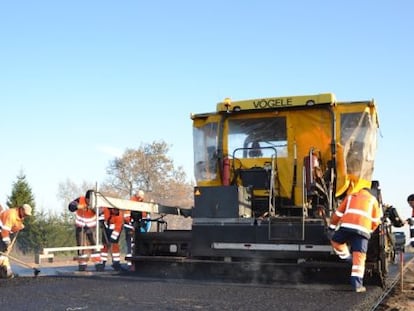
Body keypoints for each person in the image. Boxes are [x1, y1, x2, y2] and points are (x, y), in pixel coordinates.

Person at [328, 187, 382, 293]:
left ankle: (347, 258)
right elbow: (376, 221)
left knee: (336, 241)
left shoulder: (351, 197)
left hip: (346, 227)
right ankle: (357, 285)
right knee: (359, 258)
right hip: (363, 231)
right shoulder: (373, 200)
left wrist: (331, 227)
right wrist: (369, 230)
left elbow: (338, 214)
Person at [68, 189, 100, 271]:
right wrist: (77, 206)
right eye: (89, 200)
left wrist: (94, 209)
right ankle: (82, 264)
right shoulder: (80, 199)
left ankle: (97, 264)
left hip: (91, 226)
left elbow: (100, 212)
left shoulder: (97, 203)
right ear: (86, 198)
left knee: (94, 244)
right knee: (81, 245)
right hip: (80, 225)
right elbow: (71, 206)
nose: (90, 202)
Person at [0, 204, 32, 278]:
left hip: (3, 232)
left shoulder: (20, 215)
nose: (25, 216)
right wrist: (7, 241)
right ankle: (6, 272)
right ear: (21, 210)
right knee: (3, 251)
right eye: (25, 214)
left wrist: (19, 226)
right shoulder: (11, 215)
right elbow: (5, 230)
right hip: (2, 232)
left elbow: (13, 225)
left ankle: (6, 271)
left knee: (4, 253)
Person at [96, 207, 125, 271]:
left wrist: (112, 239)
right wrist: (101, 220)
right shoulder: (106, 210)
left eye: (117, 210)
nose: (116, 212)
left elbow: (117, 229)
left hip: (115, 230)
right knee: (105, 246)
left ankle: (116, 262)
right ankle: (102, 263)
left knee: (114, 246)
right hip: (106, 228)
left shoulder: (119, 217)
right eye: (114, 210)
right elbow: (100, 213)